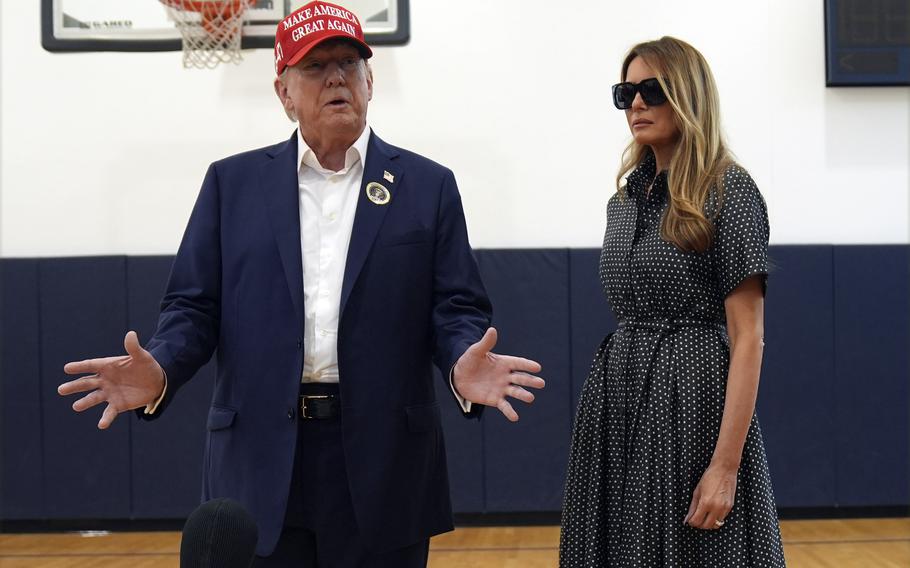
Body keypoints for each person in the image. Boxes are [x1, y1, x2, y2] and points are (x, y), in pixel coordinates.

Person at [57, 2, 545, 566]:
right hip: (260, 460)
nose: (336, 77)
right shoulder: (230, 184)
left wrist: (462, 359)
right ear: (283, 91)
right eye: (315, 67)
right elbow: (192, 308)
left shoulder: (428, 186)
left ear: (370, 80)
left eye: (348, 62)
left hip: (385, 463)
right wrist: (162, 366)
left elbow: (455, 307)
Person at [559, 37, 785, 566]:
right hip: (617, 402)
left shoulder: (730, 191)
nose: (635, 104)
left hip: (693, 405)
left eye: (651, 91)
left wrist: (725, 466)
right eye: (626, 92)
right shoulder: (623, 200)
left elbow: (749, 337)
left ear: (688, 95)